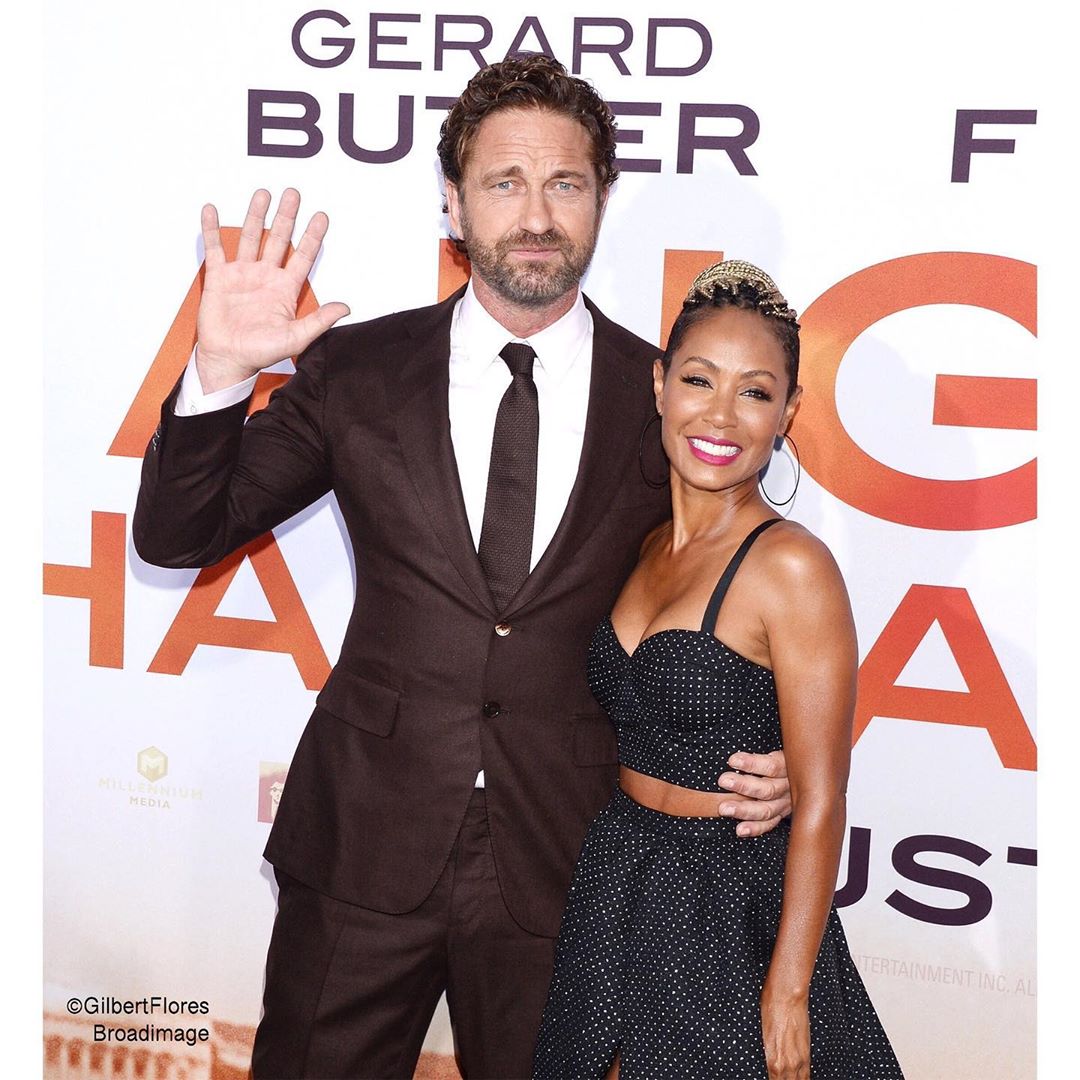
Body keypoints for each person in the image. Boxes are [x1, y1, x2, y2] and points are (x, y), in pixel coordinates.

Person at [134, 57, 793, 1080]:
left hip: (569, 859)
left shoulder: (667, 396)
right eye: (503, 182)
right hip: (362, 843)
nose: (536, 215)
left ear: (601, 200)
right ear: (452, 200)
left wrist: (777, 751)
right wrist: (218, 374)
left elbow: (740, 580)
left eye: (565, 183)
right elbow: (179, 536)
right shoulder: (358, 369)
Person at [532, 261, 904, 1080]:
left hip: (731, 903)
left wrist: (790, 990)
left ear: (788, 412)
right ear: (660, 385)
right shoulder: (641, 546)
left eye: (755, 392)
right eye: (699, 380)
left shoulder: (792, 567)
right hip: (616, 877)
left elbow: (822, 798)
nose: (722, 415)